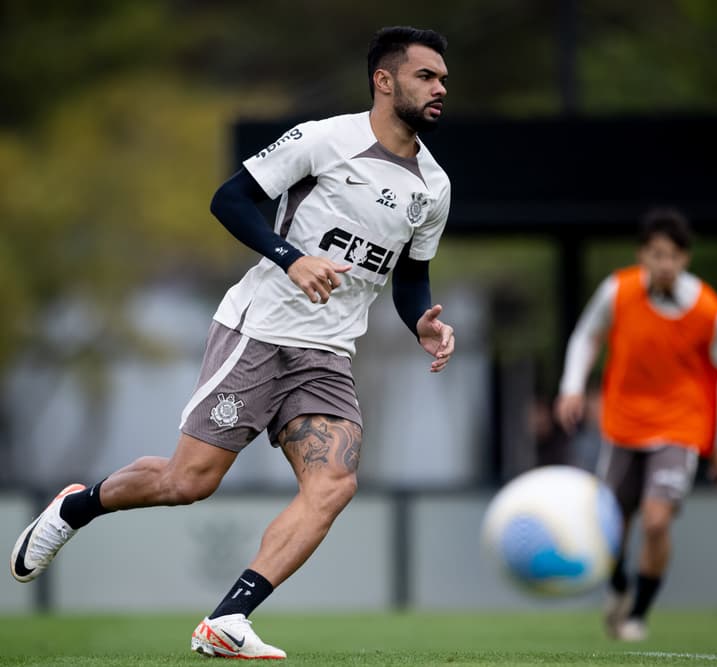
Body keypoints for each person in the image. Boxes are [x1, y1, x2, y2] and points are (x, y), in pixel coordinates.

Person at [11, 26, 454, 660]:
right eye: (426, 77)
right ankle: (78, 506)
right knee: (188, 482)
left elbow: (411, 279)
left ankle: (228, 620)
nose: (440, 88)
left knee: (333, 485)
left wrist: (423, 323)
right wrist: (291, 257)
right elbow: (231, 200)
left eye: (442, 79)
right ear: (384, 81)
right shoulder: (323, 139)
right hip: (260, 331)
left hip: (329, 354)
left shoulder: (434, 187)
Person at [553, 207, 717, 642]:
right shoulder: (618, 291)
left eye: (673, 256)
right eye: (657, 254)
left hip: (679, 426)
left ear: (685, 259)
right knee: (610, 524)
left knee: (657, 520)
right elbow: (586, 336)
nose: (665, 264)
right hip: (622, 424)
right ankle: (617, 586)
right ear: (643, 256)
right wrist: (572, 387)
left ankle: (636, 615)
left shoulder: (708, 310)